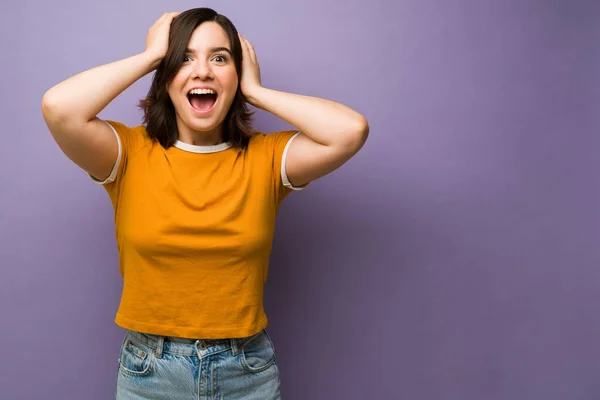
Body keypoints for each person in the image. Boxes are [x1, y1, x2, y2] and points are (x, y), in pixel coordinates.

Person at [41, 7, 368, 399]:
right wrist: (148, 58)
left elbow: (351, 131)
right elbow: (59, 108)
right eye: (183, 58)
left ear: (237, 73)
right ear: (165, 77)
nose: (202, 72)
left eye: (219, 58)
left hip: (247, 371)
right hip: (150, 372)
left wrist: (257, 92)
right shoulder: (127, 153)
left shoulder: (265, 157)